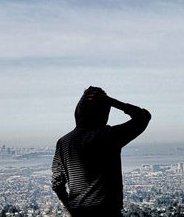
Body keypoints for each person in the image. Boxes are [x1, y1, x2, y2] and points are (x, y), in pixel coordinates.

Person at [52, 86, 151, 217]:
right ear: (104, 112)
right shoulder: (109, 136)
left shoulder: (63, 143)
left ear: (79, 110)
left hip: (79, 212)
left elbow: (57, 185)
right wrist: (113, 102)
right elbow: (144, 117)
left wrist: (72, 212)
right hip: (108, 212)